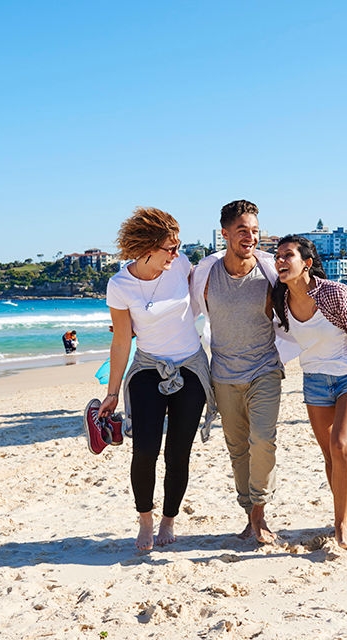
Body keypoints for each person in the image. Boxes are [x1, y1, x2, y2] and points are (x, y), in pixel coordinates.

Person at [99, 207, 217, 551]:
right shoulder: (120, 285)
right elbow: (121, 339)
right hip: (148, 369)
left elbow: (210, 290)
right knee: (145, 449)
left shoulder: (180, 266)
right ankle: (146, 520)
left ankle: (169, 519)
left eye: (178, 247)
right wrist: (111, 393)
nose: (177, 254)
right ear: (147, 247)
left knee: (178, 453)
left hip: (191, 368)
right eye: (170, 247)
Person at [271, 235, 347, 548]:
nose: (280, 261)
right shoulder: (279, 301)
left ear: (307, 263)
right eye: (277, 256)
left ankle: (340, 527)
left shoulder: (335, 293)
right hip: (314, 381)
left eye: (288, 256)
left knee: (341, 444)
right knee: (330, 454)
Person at [190, 200, 286, 544]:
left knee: (262, 440)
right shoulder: (205, 273)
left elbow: (302, 300)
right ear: (225, 233)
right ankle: (249, 515)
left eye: (255, 231)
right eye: (243, 230)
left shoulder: (270, 273)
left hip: (265, 368)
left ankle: (259, 512)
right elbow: (178, 309)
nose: (251, 237)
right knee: (237, 448)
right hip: (224, 374)